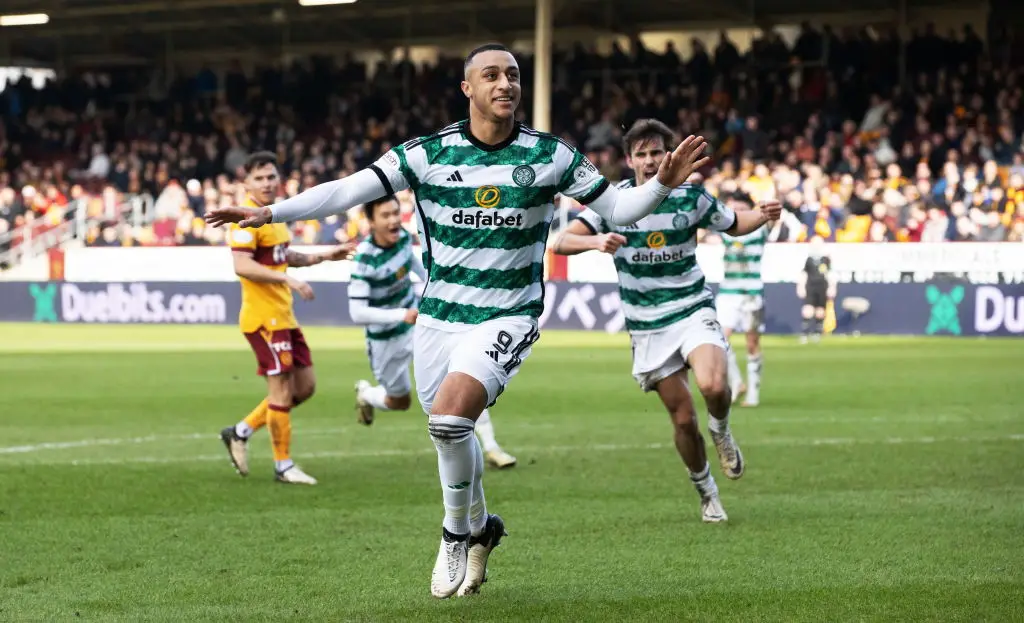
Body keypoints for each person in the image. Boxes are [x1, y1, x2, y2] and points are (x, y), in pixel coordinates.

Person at [206, 44, 710, 599]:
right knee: (451, 431)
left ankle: (453, 534)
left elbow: (619, 210)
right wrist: (270, 212)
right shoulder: (427, 154)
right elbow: (348, 189)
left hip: (509, 313)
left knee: (449, 420)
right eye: (491, 75)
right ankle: (482, 528)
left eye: (512, 75)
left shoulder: (551, 155)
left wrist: (661, 184)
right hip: (439, 317)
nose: (505, 83)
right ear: (468, 88)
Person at [552, 119, 781, 523]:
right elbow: (561, 241)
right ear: (629, 160)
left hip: (692, 307)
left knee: (714, 385)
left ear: (668, 156)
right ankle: (706, 491)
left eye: (656, 152)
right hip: (647, 324)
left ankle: (722, 431)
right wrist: (596, 241)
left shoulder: (690, 197)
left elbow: (734, 223)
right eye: (641, 154)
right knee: (683, 419)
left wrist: (761, 215)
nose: (649, 160)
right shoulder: (614, 201)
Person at [349, 195, 518, 469]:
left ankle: (491, 447)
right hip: (385, 339)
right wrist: (400, 315)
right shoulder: (363, 260)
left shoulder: (404, 240)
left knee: (462, 376)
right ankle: (366, 394)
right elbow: (357, 313)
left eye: (395, 213)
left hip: (419, 327)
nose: (393, 220)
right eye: (385, 215)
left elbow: (425, 272)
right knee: (399, 401)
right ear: (370, 221)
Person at [218, 151, 354, 486]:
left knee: (304, 388)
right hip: (263, 319)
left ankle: (240, 431)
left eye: (271, 177)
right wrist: (287, 279)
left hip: (284, 316)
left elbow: (283, 255)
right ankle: (283, 465)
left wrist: (324, 256)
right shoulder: (244, 219)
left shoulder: (273, 216)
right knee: (280, 391)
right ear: (246, 183)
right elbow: (242, 265)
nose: (267, 183)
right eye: (259, 178)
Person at [715, 190, 767, 407]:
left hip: (751, 294)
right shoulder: (725, 228)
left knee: (752, 342)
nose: (736, 213)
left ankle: (753, 393)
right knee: (719, 340)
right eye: (733, 209)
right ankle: (737, 382)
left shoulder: (760, 228)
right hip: (728, 292)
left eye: (741, 209)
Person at [797, 235, 837, 343]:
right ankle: (805, 333)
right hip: (811, 286)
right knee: (807, 309)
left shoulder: (826, 259)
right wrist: (800, 286)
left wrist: (832, 287)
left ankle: (817, 333)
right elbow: (804, 273)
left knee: (820, 310)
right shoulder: (808, 259)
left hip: (822, 286)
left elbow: (830, 274)